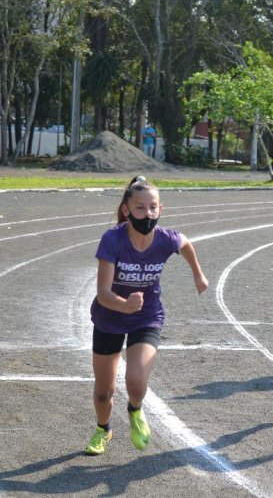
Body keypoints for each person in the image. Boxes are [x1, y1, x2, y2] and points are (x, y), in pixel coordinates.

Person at [84, 176, 209, 455]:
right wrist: (124, 304)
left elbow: (185, 244)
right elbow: (103, 292)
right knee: (104, 391)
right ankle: (103, 429)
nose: (147, 214)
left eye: (153, 207)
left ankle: (135, 409)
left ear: (160, 209)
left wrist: (198, 274)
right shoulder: (113, 240)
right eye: (140, 208)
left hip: (146, 316)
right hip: (110, 317)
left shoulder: (165, 239)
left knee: (136, 380)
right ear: (127, 210)